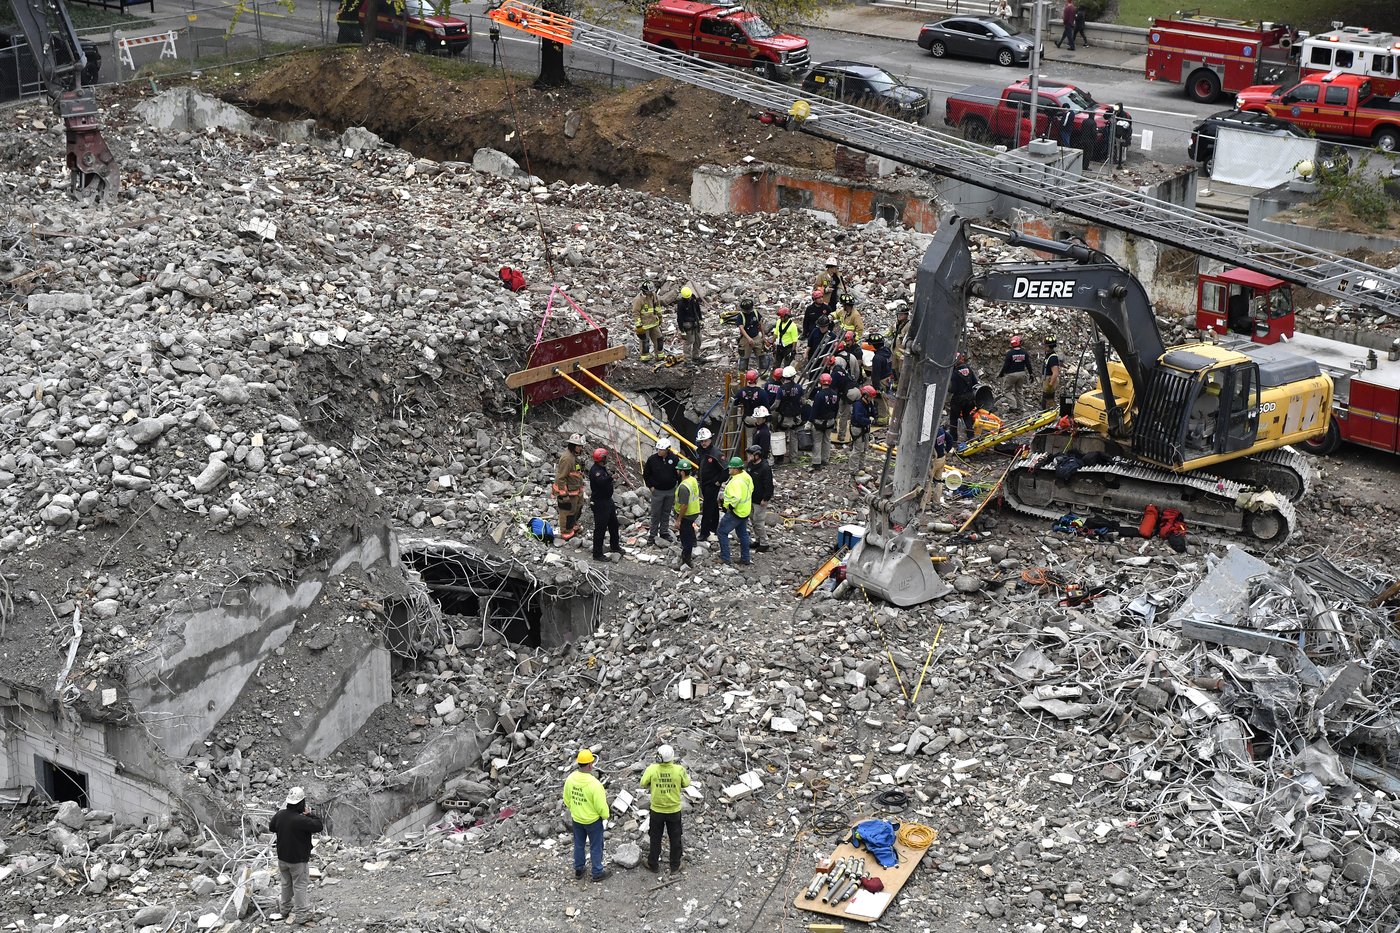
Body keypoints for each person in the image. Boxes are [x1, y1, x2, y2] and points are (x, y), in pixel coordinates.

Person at [269, 786, 324, 924]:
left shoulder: (280, 815)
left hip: (282, 859)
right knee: (299, 886)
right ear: (301, 803)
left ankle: (284, 910)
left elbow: (271, 827)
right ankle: (301, 915)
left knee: (286, 884)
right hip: (298, 860)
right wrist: (309, 814)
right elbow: (319, 826)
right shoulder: (301, 821)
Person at [640, 744, 691, 873]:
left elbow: (643, 783)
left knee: (655, 837)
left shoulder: (652, 769)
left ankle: (653, 864)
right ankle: (675, 865)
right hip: (674, 810)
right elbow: (686, 783)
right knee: (675, 837)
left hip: (657, 810)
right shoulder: (679, 770)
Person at [563, 749, 611, 882]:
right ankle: (597, 872)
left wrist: (576, 809)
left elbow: (566, 799)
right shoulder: (594, 784)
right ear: (590, 765)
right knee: (596, 846)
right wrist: (605, 815)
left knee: (579, 844)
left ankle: (579, 869)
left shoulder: (570, 779)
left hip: (577, 819)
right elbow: (601, 806)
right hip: (593, 821)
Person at [643, 437, 680, 547]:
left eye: (661, 450)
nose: (659, 451)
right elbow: (646, 474)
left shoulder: (674, 459)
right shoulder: (652, 460)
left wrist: (676, 485)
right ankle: (652, 534)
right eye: (658, 449)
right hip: (657, 491)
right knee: (655, 514)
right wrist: (651, 486)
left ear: (667, 449)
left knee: (666, 512)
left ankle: (664, 532)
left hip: (670, 491)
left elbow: (678, 473)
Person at [716, 456, 753, 565]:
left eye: (730, 468)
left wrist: (729, 507)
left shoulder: (735, 482)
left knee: (722, 532)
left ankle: (725, 557)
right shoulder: (746, 476)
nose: (729, 470)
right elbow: (751, 489)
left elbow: (736, 498)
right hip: (745, 510)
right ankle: (745, 558)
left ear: (736, 470)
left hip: (735, 512)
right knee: (743, 534)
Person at [588, 448, 623, 562]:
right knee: (600, 528)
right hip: (600, 502)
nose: (606, 459)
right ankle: (597, 554)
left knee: (614, 525)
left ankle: (615, 546)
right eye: (605, 457)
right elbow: (601, 482)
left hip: (608, 500)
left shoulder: (602, 468)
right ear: (601, 458)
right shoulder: (595, 470)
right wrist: (611, 478)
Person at [553, 433, 587, 541]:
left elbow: (575, 472)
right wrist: (564, 494)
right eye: (579, 446)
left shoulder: (574, 457)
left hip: (576, 490)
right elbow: (561, 478)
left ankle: (573, 525)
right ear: (573, 446)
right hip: (569, 492)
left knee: (577, 508)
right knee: (567, 512)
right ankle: (566, 532)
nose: (581, 448)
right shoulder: (567, 459)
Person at [695, 428, 724, 542]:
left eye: (705, 441)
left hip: (712, 485)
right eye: (702, 441)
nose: (703, 443)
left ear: (710, 440)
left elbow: (725, 469)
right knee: (713, 506)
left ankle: (704, 532)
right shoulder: (702, 452)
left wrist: (718, 481)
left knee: (707, 508)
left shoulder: (716, 453)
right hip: (704, 484)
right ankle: (714, 528)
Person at [721, 297, 763, 370]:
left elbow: (760, 324)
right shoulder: (741, 316)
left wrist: (763, 336)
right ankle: (742, 374)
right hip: (745, 338)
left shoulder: (755, 313)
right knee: (744, 357)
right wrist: (749, 338)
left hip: (756, 337)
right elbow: (741, 328)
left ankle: (763, 372)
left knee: (761, 356)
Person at [746, 443, 773, 553]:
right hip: (751, 498)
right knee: (753, 520)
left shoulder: (765, 468)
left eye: (751, 455)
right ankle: (758, 540)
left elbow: (769, 485)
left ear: (757, 455)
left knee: (759, 522)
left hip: (760, 500)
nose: (749, 457)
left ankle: (764, 542)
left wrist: (765, 499)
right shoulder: (750, 465)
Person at [809, 373, 840, 470]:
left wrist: (811, 420)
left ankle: (816, 462)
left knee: (817, 442)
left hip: (819, 421)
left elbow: (815, 410)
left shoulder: (819, 395)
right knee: (827, 440)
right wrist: (834, 419)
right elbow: (836, 408)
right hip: (830, 421)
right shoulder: (835, 394)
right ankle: (825, 460)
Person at [673, 459, 700, 568]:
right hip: (695, 511)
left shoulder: (684, 487)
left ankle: (686, 559)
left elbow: (684, 505)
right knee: (690, 530)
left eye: (678, 470)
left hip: (687, 515)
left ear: (682, 472)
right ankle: (694, 542)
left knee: (685, 537)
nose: (677, 472)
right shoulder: (692, 480)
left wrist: (679, 520)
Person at [947, 352, 979, 445]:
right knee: (967, 416)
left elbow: (953, 389)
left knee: (953, 419)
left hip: (958, 399)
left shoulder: (954, 373)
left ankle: (953, 439)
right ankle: (970, 435)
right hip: (970, 398)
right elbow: (975, 382)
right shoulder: (969, 369)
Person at [998, 335, 1035, 413]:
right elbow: (1028, 364)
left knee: (1006, 391)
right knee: (1019, 390)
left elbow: (1005, 366)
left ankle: (1013, 405)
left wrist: (1001, 374)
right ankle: (1021, 407)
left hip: (1011, 374)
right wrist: (1031, 374)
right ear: (1019, 343)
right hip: (1022, 373)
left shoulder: (1010, 353)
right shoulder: (1024, 353)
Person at [920, 424, 952, 511]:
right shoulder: (941, 430)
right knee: (938, 481)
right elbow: (950, 439)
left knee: (928, 481)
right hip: (942, 458)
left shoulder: (931, 434)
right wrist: (946, 450)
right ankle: (936, 502)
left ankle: (926, 503)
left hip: (934, 460)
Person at [632, 282, 665, 362]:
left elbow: (657, 307)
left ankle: (659, 356)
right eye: (649, 291)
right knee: (645, 342)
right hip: (644, 325)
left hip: (654, 323)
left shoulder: (654, 296)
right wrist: (639, 326)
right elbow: (636, 313)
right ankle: (645, 357)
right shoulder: (638, 299)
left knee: (659, 339)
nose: (651, 293)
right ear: (644, 291)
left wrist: (660, 317)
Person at [850, 384, 878, 471]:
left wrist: (874, 417)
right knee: (858, 450)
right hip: (857, 428)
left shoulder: (869, 404)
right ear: (865, 396)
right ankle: (853, 469)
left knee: (864, 449)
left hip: (865, 428)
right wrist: (869, 420)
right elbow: (859, 418)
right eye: (870, 397)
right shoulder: (858, 405)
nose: (871, 399)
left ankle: (861, 466)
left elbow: (874, 412)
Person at [869, 334, 893, 424]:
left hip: (882, 380)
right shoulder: (887, 351)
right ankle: (886, 416)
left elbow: (875, 374)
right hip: (888, 378)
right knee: (885, 398)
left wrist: (876, 387)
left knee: (879, 400)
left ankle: (882, 420)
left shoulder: (877, 358)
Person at [675, 285, 703, 363]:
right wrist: (682, 330)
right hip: (687, 324)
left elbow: (698, 310)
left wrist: (700, 320)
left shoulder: (694, 299)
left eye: (689, 297)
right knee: (690, 341)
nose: (689, 298)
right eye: (687, 298)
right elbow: (679, 317)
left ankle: (696, 357)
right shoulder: (681, 304)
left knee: (698, 340)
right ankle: (687, 360)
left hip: (695, 323)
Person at [1042, 336, 1062, 411]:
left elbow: (1055, 373)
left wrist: (1050, 385)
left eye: (1045, 345)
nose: (1043, 347)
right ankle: (1046, 412)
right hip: (1047, 379)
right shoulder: (1049, 355)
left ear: (1049, 346)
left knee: (1048, 399)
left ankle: (1049, 413)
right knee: (1046, 399)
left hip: (1049, 380)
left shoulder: (1053, 358)